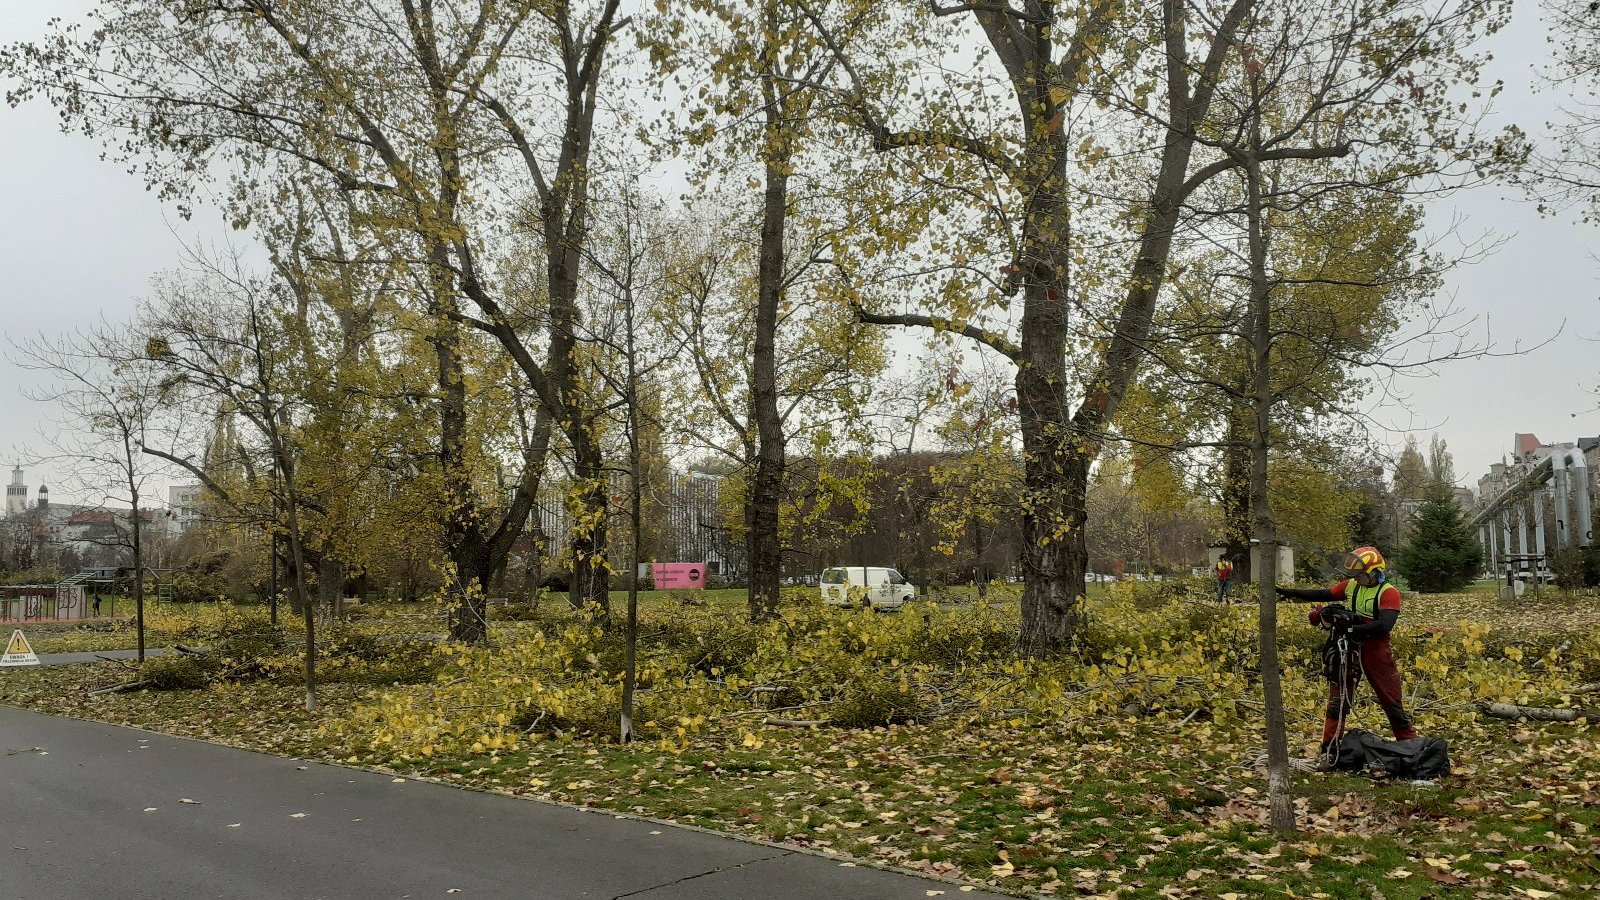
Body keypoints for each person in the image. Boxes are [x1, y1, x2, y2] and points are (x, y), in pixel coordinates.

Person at [1279, 546, 1418, 759]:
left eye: (1360, 575)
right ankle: (1329, 749)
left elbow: (1384, 625)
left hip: (1375, 650)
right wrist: (1290, 592)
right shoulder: (1352, 585)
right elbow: (1324, 594)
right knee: (1338, 699)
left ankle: (1411, 747)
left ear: (1374, 573)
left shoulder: (1388, 593)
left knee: (1390, 699)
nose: (1356, 579)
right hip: (1348, 648)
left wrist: (1352, 628)